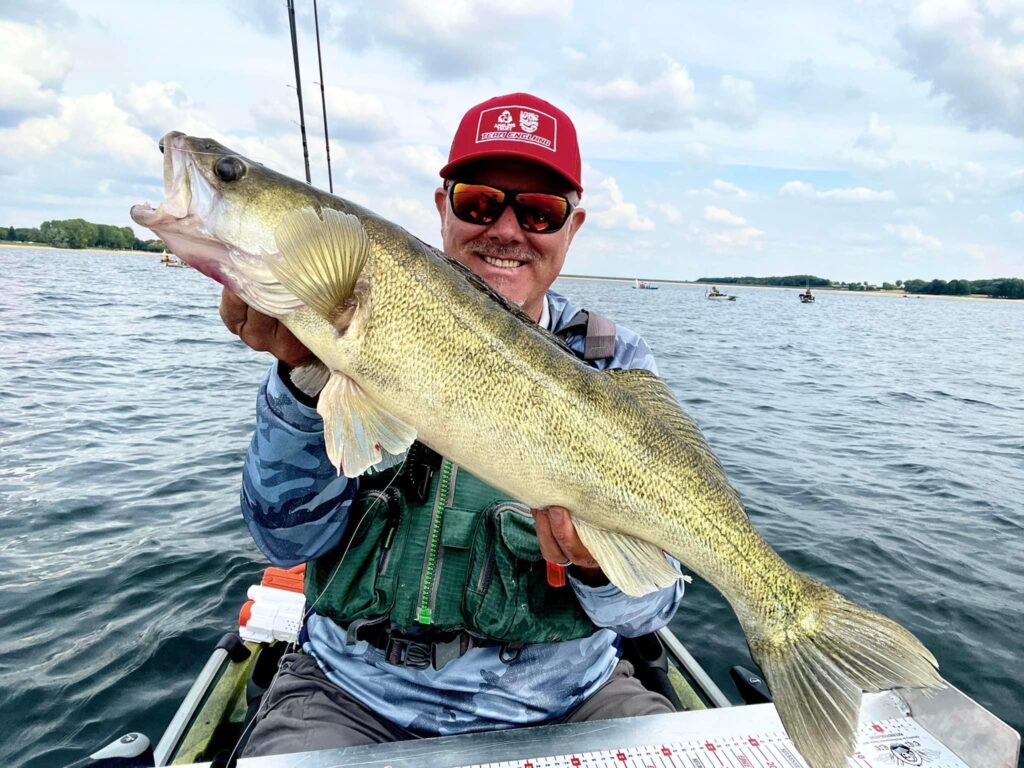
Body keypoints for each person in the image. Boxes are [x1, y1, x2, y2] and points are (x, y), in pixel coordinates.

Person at [219, 92, 685, 757]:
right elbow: (282, 540)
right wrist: (303, 379)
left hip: (569, 700)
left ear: (571, 229)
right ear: (443, 210)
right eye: (477, 203)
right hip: (347, 694)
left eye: (540, 211)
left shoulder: (616, 367)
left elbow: (653, 610)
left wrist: (598, 566)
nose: (506, 228)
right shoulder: (337, 328)